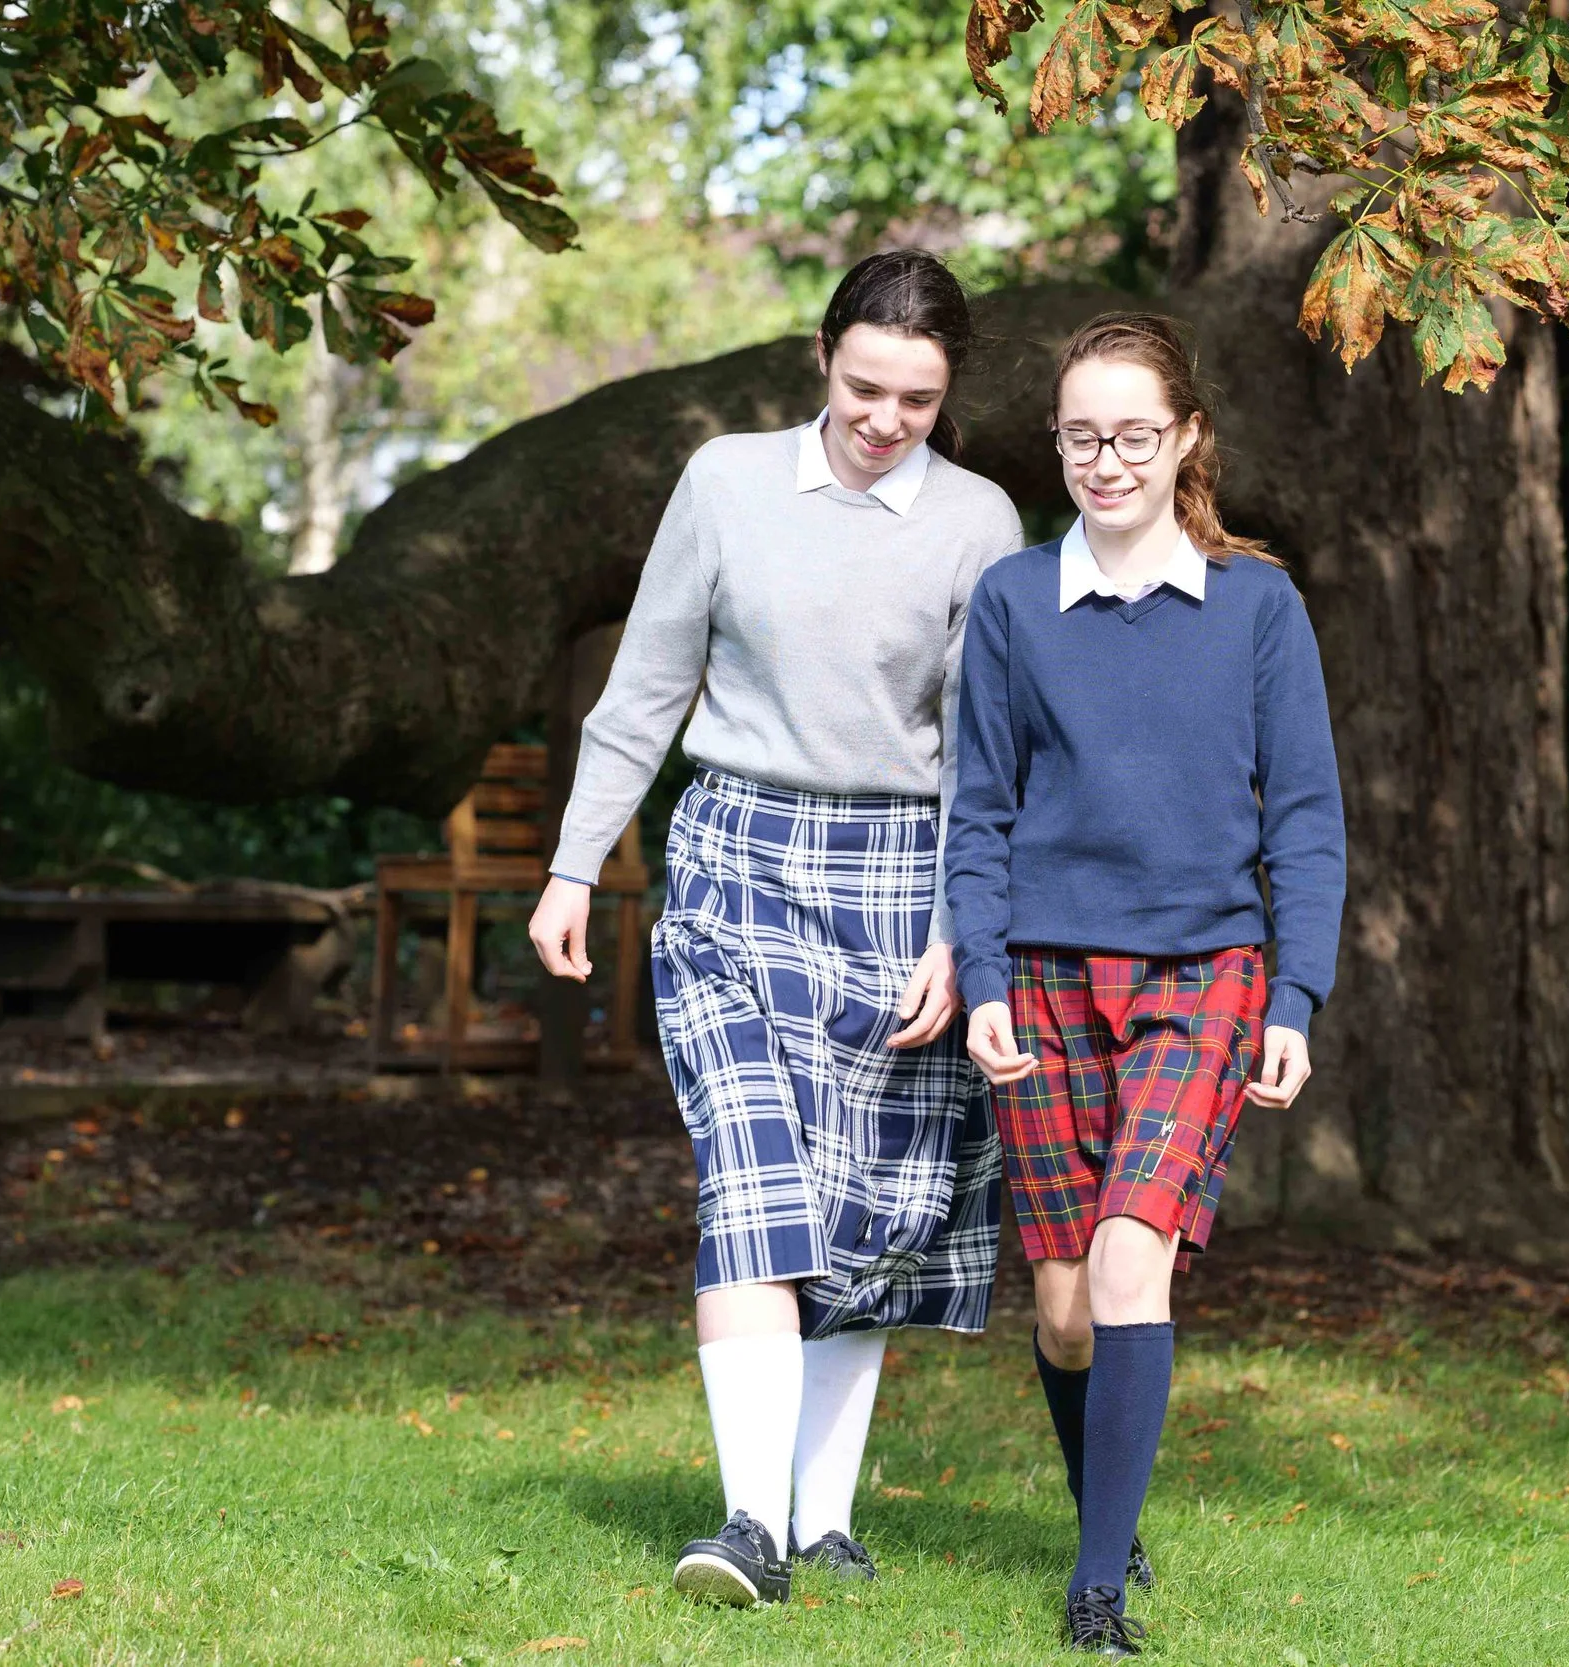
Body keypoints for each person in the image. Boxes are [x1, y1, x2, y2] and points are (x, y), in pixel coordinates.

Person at [528, 249, 1024, 1608]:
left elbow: (989, 752)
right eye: (866, 385)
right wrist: (576, 865)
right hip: (738, 854)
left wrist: (960, 929)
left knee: (872, 1201)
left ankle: (823, 1518)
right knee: (753, 1175)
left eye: (917, 399)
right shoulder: (726, 482)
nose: (886, 417)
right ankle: (749, 1522)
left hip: (901, 877)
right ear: (822, 358)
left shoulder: (983, 522)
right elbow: (643, 690)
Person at [944, 312, 1347, 1657]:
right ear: (1055, 444)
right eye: (1079, 436)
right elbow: (979, 809)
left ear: (1184, 437)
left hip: (1206, 973)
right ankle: (1099, 1515)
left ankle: (1097, 1588)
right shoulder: (1012, 602)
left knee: (1131, 1270)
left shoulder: (1259, 605)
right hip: (1047, 975)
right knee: (1062, 1312)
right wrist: (985, 969)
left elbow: (1305, 814)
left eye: (1131, 433)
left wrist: (1297, 993)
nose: (1105, 460)